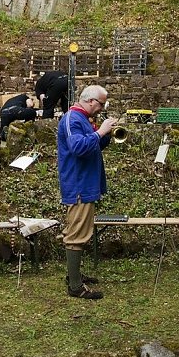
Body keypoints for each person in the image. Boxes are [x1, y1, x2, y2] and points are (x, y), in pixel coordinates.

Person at [57, 85, 118, 300]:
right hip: (78, 184)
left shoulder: (82, 119)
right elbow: (78, 147)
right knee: (77, 235)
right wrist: (100, 131)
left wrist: (105, 135)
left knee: (80, 231)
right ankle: (75, 286)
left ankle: (74, 275)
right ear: (91, 101)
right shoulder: (73, 118)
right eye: (101, 104)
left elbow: (92, 147)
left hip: (86, 183)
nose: (102, 108)